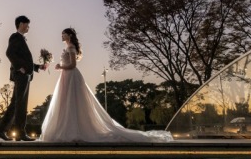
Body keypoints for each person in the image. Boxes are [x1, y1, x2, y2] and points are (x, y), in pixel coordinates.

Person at [39, 28, 173, 143]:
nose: (62, 36)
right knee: (65, 103)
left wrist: (60, 66)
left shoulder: (71, 47)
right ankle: (67, 130)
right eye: (62, 34)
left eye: (64, 34)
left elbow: (73, 65)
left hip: (71, 76)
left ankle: (74, 132)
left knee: (73, 103)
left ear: (70, 36)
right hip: (66, 77)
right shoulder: (67, 48)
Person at [0, 16, 49, 142]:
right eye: (27, 24)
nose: (28, 26)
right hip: (21, 75)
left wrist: (38, 67)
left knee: (15, 103)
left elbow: (25, 60)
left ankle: (1, 131)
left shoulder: (22, 39)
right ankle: (20, 133)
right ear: (21, 24)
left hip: (25, 75)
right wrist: (19, 67)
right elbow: (9, 53)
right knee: (21, 104)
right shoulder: (15, 37)